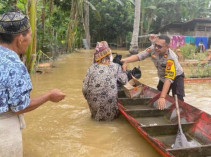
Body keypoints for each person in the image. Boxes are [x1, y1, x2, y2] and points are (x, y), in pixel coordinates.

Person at [0, 11, 66, 157]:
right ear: (19, 39)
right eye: (29, 34)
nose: (30, 39)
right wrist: (49, 95)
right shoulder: (14, 64)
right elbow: (19, 107)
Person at [121, 35, 185, 110]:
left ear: (167, 47)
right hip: (162, 77)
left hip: (176, 77)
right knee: (158, 95)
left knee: (178, 99)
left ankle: (179, 113)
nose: (156, 48)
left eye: (159, 46)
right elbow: (139, 56)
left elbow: (168, 79)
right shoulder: (152, 49)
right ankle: (162, 110)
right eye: (155, 45)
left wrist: (162, 97)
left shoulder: (171, 58)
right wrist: (125, 60)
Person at [82, 41, 128, 121]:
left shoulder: (91, 68)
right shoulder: (116, 67)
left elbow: (84, 89)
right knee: (110, 121)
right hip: (109, 102)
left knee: (95, 119)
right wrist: (124, 70)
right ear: (108, 54)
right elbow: (125, 81)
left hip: (92, 102)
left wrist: (90, 98)